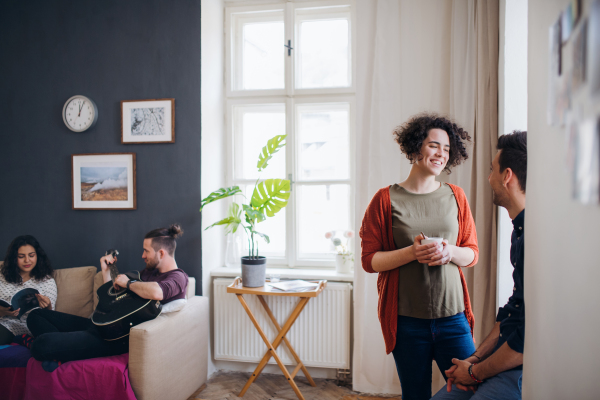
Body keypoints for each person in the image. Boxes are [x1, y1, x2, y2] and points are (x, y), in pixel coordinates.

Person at [360, 113, 479, 400]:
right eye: (434, 146)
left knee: (472, 390)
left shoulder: (457, 196)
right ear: (415, 148)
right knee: (415, 395)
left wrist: (449, 251)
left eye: (447, 149)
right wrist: (412, 253)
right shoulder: (384, 199)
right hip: (407, 322)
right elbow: (369, 260)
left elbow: (472, 254)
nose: (441, 154)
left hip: (453, 319)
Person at [431, 130, 527, 400]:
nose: (488, 178)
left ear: (506, 176)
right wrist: (474, 359)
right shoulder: (518, 231)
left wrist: (475, 373)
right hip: (499, 358)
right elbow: (513, 311)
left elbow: (523, 340)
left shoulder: (536, 237)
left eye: (492, 170)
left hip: (518, 369)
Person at [27, 224, 188, 370]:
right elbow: (115, 300)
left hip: (113, 340)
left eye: (146, 251)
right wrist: (106, 271)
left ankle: (57, 349)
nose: (142, 256)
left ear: (161, 253)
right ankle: (63, 351)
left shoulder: (178, 278)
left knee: (40, 345)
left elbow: (157, 292)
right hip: (100, 326)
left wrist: (128, 283)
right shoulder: (148, 273)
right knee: (35, 315)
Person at [0, 235, 57, 345]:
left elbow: (51, 318)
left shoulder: (47, 281)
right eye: (21, 256)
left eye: (31, 255)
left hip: (22, 326)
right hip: (3, 320)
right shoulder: (3, 276)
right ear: (14, 258)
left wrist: (47, 305)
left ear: (37, 256)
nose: (27, 260)